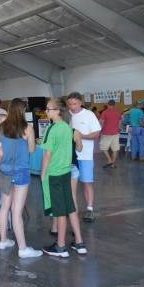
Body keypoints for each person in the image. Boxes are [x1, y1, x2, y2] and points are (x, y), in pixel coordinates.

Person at [0, 98, 42, 259]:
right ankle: (22, 248)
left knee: (4, 207)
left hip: (4, 171)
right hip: (21, 171)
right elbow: (31, 149)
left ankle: (3, 240)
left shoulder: (2, 127)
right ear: (23, 111)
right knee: (17, 211)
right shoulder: (27, 128)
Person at [41, 98, 87, 258]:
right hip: (66, 172)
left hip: (54, 174)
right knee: (70, 208)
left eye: (49, 109)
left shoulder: (52, 129)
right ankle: (79, 243)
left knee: (60, 211)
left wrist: (42, 174)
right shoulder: (69, 129)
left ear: (58, 111)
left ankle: (60, 246)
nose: (46, 112)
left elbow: (47, 154)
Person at [67, 92, 102, 223]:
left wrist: (81, 136)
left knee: (87, 182)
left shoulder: (89, 115)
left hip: (85, 155)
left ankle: (90, 209)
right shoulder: (67, 116)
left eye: (75, 103)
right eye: (70, 104)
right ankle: (71, 209)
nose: (72, 106)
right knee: (71, 185)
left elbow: (96, 134)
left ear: (81, 102)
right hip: (70, 156)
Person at [99, 100, 123, 168]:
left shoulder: (105, 112)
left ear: (108, 104)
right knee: (115, 149)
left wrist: (100, 130)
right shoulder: (118, 112)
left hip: (106, 133)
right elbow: (120, 122)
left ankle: (109, 160)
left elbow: (101, 122)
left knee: (103, 148)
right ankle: (112, 164)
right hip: (116, 133)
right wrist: (119, 129)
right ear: (114, 104)